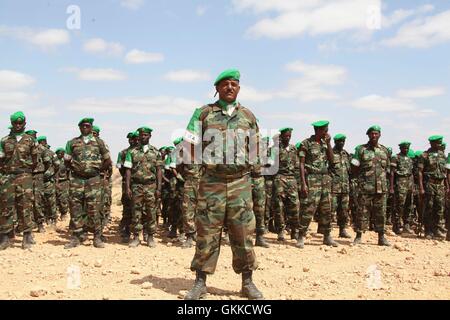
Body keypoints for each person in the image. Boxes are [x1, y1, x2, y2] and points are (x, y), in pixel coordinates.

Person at [183, 69, 263, 300]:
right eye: (225, 84)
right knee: (207, 232)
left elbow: (257, 148)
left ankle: (247, 283)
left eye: (234, 84)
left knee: (243, 233)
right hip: (211, 182)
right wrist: (194, 173)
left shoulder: (248, 116)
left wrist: (254, 175)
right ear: (217, 88)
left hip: (240, 182)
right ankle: (200, 282)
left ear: (239, 88)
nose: (230, 87)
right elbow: (189, 145)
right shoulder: (203, 114)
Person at [64, 117, 112, 249]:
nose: (85, 128)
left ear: (91, 127)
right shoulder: (72, 143)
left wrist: (97, 170)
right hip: (77, 180)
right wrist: (74, 170)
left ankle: (97, 237)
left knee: (95, 208)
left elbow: (108, 160)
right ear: (79, 128)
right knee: (75, 208)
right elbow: (67, 160)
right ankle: (76, 237)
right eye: (83, 126)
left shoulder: (99, 142)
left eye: (87, 126)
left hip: (94, 180)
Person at [0, 111, 38, 250]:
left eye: (20, 122)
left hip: (24, 176)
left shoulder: (31, 140)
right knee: (6, 207)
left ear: (25, 123)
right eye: (15, 122)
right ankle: (5, 237)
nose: (17, 125)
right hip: (7, 177)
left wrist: (26, 171)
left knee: (25, 206)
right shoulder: (4, 140)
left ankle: (27, 236)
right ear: (11, 124)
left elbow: (35, 161)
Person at [298, 121, 338, 248]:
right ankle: (301, 236)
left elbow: (332, 161)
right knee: (308, 208)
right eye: (325, 130)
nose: (327, 133)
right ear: (318, 130)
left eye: (327, 130)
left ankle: (327, 236)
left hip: (325, 179)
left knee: (327, 209)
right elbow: (301, 164)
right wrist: (303, 183)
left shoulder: (325, 144)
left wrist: (329, 144)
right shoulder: (306, 143)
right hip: (312, 178)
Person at [351, 125, 391, 246]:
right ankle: (358, 236)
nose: (374, 136)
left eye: (376, 133)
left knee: (381, 213)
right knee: (362, 212)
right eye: (371, 134)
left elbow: (387, 170)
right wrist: (360, 181)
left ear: (380, 135)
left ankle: (381, 237)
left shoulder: (385, 150)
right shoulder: (361, 150)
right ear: (368, 135)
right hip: (365, 187)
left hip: (381, 188)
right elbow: (354, 168)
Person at [124, 126, 163, 248]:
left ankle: (150, 236)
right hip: (136, 185)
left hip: (151, 185)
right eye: (141, 135)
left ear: (150, 136)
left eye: (145, 135)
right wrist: (128, 187)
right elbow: (128, 170)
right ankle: (136, 237)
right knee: (136, 211)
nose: (143, 137)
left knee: (151, 211)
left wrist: (158, 188)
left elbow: (159, 171)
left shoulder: (156, 152)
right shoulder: (132, 152)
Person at [272, 128, 300, 243]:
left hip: (292, 180)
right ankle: (280, 232)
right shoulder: (275, 149)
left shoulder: (294, 149)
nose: (287, 138)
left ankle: (294, 231)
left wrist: (300, 182)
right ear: (281, 136)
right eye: (285, 136)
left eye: (289, 136)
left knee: (294, 206)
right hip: (280, 178)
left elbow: (297, 165)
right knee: (279, 207)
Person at [418, 135, 447, 240]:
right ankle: (428, 230)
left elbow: (445, 172)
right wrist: (421, 188)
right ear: (431, 143)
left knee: (439, 208)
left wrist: (446, 186)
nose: (439, 145)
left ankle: (437, 229)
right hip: (429, 184)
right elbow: (420, 172)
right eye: (437, 143)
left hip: (440, 184)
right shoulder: (424, 155)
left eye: (440, 143)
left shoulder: (442, 155)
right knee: (429, 208)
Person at [116, 131, 139, 242]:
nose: (133, 141)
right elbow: (120, 168)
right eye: (131, 139)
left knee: (140, 209)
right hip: (128, 183)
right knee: (127, 207)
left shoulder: (141, 152)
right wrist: (126, 179)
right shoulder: (123, 153)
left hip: (140, 184)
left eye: (135, 139)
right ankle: (126, 232)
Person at [390, 141, 415, 235]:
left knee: (409, 205)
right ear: (400, 148)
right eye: (404, 148)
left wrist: (412, 186)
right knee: (399, 205)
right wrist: (391, 187)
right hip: (400, 183)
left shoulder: (409, 158)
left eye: (407, 148)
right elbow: (392, 173)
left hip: (409, 183)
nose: (406, 150)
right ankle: (396, 225)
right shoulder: (395, 158)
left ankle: (406, 225)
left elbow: (411, 173)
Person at [331, 134, 352, 238]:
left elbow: (349, 171)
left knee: (344, 210)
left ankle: (342, 230)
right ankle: (327, 232)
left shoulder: (346, 154)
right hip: (333, 188)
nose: (341, 143)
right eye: (339, 141)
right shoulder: (330, 153)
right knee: (331, 210)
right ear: (335, 142)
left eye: (343, 141)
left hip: (345, 188)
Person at [55, 148, 70, 220]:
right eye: (60, 153)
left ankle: (64, 213)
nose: (61, 155)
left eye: (63, 153)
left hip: (64, 181)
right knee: (55, 199)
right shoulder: (54, 161)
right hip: (55, 181)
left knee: (63, 198)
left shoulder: (66, 162)